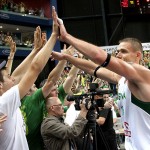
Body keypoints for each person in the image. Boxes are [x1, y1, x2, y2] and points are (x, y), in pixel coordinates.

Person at [51, 7, 150, 150]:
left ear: (138, 55)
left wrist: (67, 37)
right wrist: (67, 57)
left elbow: (99, 57)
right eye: (117, 51)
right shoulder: (121, 79)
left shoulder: (143, 74)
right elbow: (93, 68)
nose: (118, 54)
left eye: (124, 51)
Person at [0, 6, 59, 150]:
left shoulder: (4, 101)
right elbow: (34, 69)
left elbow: (18, 75)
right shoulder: (4, 102)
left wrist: (35, 51)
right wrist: (54, 36)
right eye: (8, 77)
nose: (12, 78)